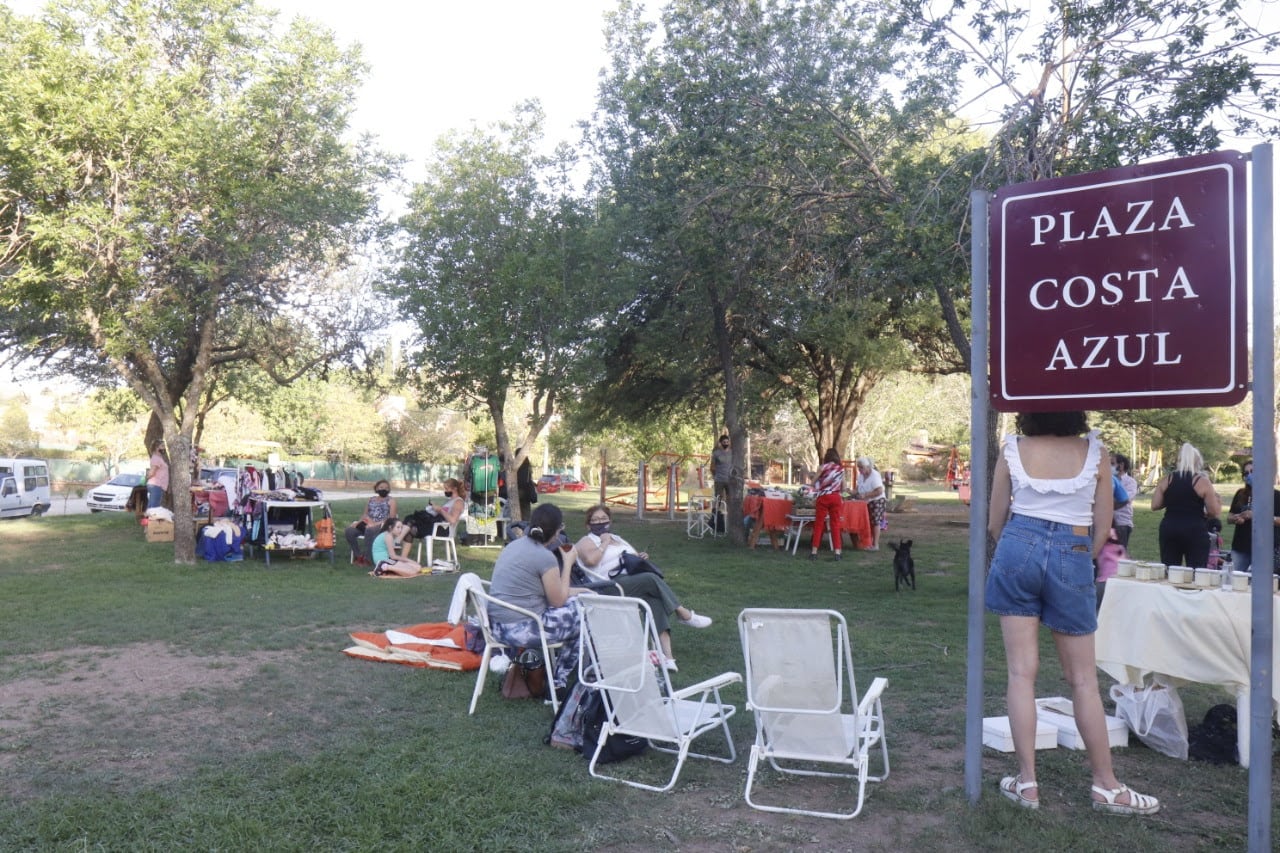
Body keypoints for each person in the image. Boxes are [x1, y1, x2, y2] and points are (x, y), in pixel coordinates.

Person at [987, 410, 1159, 816]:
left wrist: (1022, 544)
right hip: (1074, 547)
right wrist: (1075, 556)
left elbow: (995, 522)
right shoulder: (1094, 452)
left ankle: (1026, 782)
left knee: (1020, 673)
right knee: (1082, 679)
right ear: (1074, 411)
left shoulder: (1013, 447)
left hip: (1018, 543)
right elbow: (1103, 527)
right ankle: (1106, 785)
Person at [574, 504, 712, 672]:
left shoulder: (617, 538)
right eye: (595, 520)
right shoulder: (586, 541)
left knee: (654, 600)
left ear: (610, 520)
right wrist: (604, 543)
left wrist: (640, 557)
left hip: (629, 581)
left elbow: (629, 556)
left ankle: (668, 658)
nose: (600, 522)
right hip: (608, 586)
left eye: (603, 519)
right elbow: (591, 561)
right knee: (650, 578)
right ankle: (683, 613)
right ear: (588, 525)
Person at [488, 503, 588, 690]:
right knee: (584, 617)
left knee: (578, 605)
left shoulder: (514, 546)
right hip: (519, 629)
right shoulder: (544, 557)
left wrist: (582, 592)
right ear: (557, 532)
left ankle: (556, 677)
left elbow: (553, 592)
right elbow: (557, 601)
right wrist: (567, 563)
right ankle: (557, 684)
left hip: (496, 627)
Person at [1149, 442, 1221, 568]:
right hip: (1195, 529)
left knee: (1169, 569)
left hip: (1169, 528)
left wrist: (1175, 499)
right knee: (1196, 571)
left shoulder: (1167, 480)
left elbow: (1155, 505)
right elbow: (1214, 512)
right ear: (1198, 462)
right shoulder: (1202, 482)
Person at [1227, 459, 1280, 574]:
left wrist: (1258, 516)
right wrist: (1236, 518)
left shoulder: (1275, 495)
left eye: (1252, 471)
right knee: (1233, 579)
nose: (1249, 475)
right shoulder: (1241, 494)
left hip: (1265, 548)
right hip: (1241, 547)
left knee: (1261, 583)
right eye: (1246, 473)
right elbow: (1229, 517)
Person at [345, 479, 397, 567]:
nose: (383, 489)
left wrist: (375, 524)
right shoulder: (371, 499)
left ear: (389, 490)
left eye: (386, 488)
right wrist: (358, 522)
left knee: (369, 530)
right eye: (381, 487)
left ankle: (367, 559)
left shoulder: (391, 501)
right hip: (367, 523)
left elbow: (391, 518)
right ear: (376, 488)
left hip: (382, 526)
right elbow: (365, 514)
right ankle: (358, 556)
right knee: (349, 531)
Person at [809, 448, 844, 560]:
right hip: (836, 497)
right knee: (835, 524)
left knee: (819, 524)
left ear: (827, 457)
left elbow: (813, 482)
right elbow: (844, 487)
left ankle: (814, 552)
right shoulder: (841, 470)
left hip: (823, 497)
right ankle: (837, 552)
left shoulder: (822, 468)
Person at [854, 456, 887, 551]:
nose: (859, 470)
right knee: (868, 522)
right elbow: (857, 489)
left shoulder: (875, 475)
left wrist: (866, 495)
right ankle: (868, 542)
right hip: (866, 502)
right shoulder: (861, 476)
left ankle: (875, 545)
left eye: (861, 467)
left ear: (868, 467)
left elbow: (879, 490)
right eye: (858, 467)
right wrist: (847, 492)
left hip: (877, 501)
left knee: (875, 522)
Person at [1110, 453, 1138, 548]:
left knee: (1118, 556)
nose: (1109, 466)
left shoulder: (1130, 482)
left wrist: (1105, 505)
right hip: (1105, 523)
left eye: (1112, 463)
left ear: (1121, 465)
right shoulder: (1108, 480)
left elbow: (1123, 501)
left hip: (1121, 523)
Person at [146, 441, 170, 510]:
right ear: (157, 448)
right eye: (162, 446)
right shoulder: (156, 458)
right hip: (156, 485)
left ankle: (148, 520)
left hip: (157, 486)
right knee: (153, 508)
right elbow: (152, 472)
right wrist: (147, 477)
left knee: (152, 506)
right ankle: (149, 520)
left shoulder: (159, 458)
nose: (164, 448)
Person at [710, 434, 733, 507]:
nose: (726, 444)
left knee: (730, 499)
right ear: (720, 442)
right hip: (719, 479)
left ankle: (729, 516)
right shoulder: (716, 453)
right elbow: (712, 467)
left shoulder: (732, 452)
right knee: (718, 498)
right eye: (724, 442)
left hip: (730, 480)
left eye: (727, 442)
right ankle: (715, 515)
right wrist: (715, 476)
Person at [516, 452, 537, 521]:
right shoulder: (528, 466)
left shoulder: (516, 466)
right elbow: (529, 478)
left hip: (518, 491)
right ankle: (525, 528)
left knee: (517, 512)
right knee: (526, 513)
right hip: (527, 492)